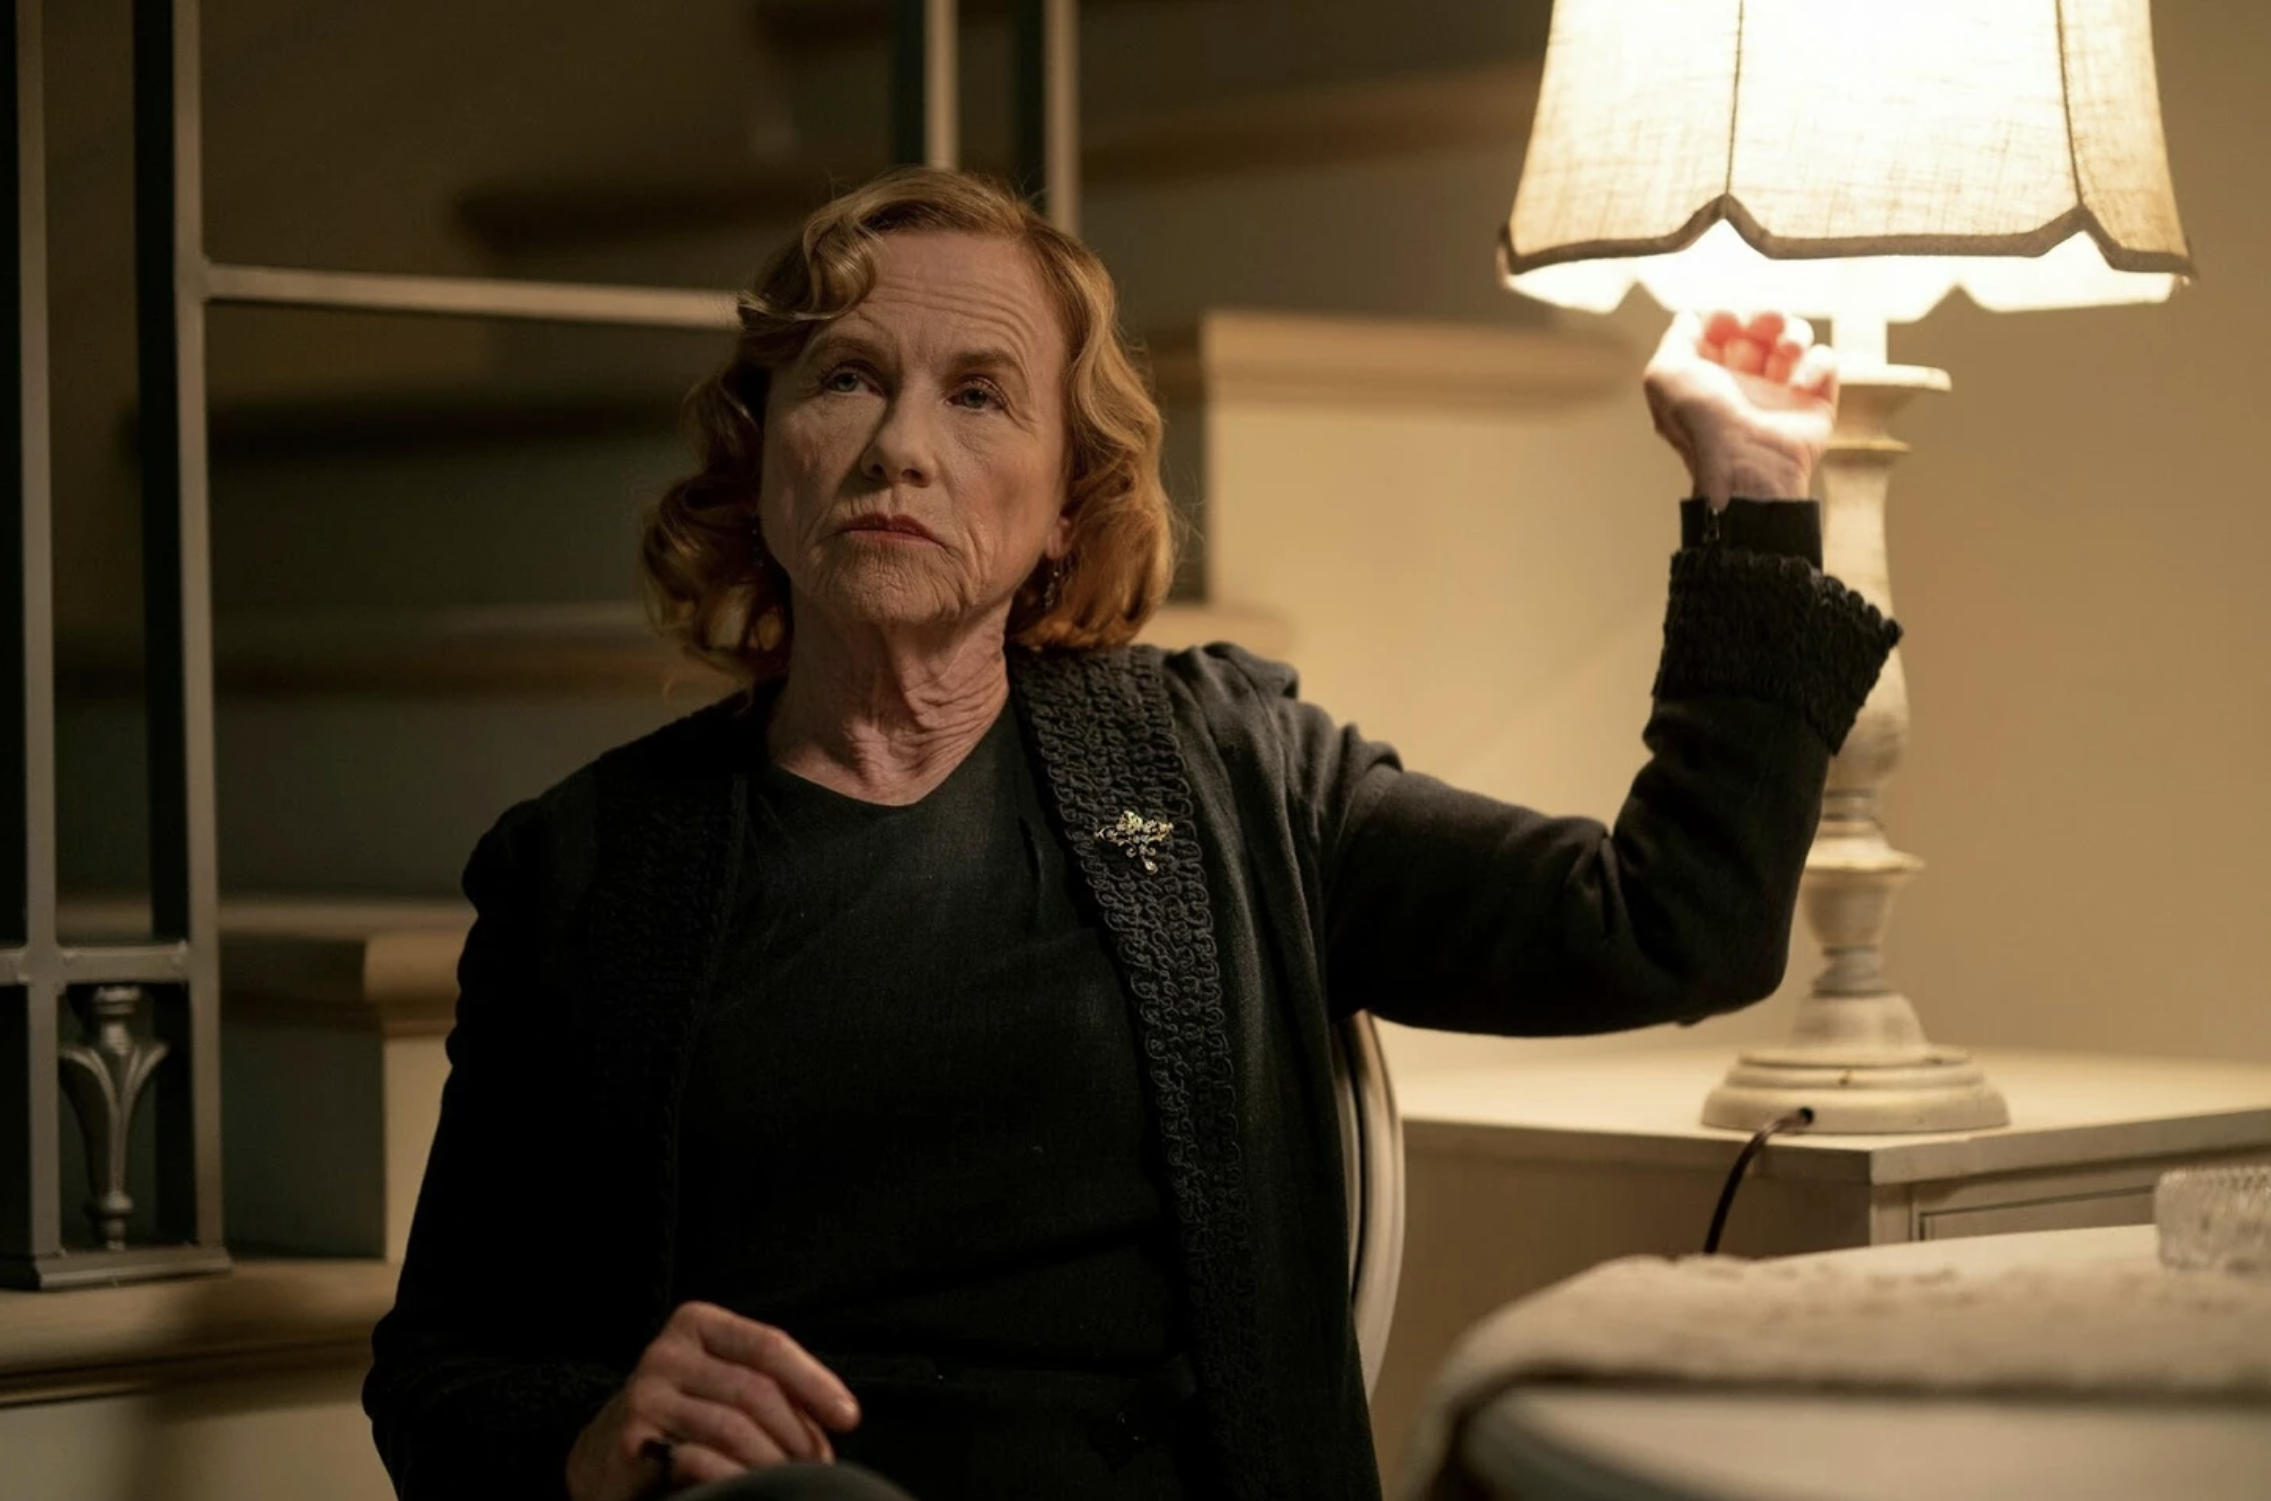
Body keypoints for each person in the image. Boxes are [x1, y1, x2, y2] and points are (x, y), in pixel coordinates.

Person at [362, 166, 1895, 1501]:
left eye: (978, 395)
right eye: (845, 378)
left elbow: (1674, 924)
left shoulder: (1234, 774)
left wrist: (1753, 494)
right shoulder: (585, 871)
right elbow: (439, 1373)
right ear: (761, 454)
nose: (901, 446)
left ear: (1063, 505)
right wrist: (588, 1437)